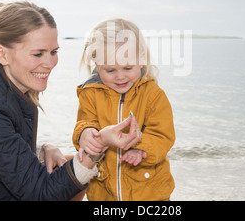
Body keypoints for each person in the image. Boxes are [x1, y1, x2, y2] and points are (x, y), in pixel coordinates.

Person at [0, 2, 141, 201]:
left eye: (54, 51)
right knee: (78, 166)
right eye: (38, 54)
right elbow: (41, 194)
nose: (50, 63)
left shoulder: (5, 84)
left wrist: (41, 150)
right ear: (2, 54)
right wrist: (98, 147)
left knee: (67, 163)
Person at [72, 18, 176, 201]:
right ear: (97, 65)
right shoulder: (90, 93)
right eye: (110, 70)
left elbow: (162, 135)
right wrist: (85, 132)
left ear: (141, 59)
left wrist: (142, 149)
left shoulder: (153, 95)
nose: (120, 76)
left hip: (149, 193)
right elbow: (85, 122)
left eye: (127, 67)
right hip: (104, 193)